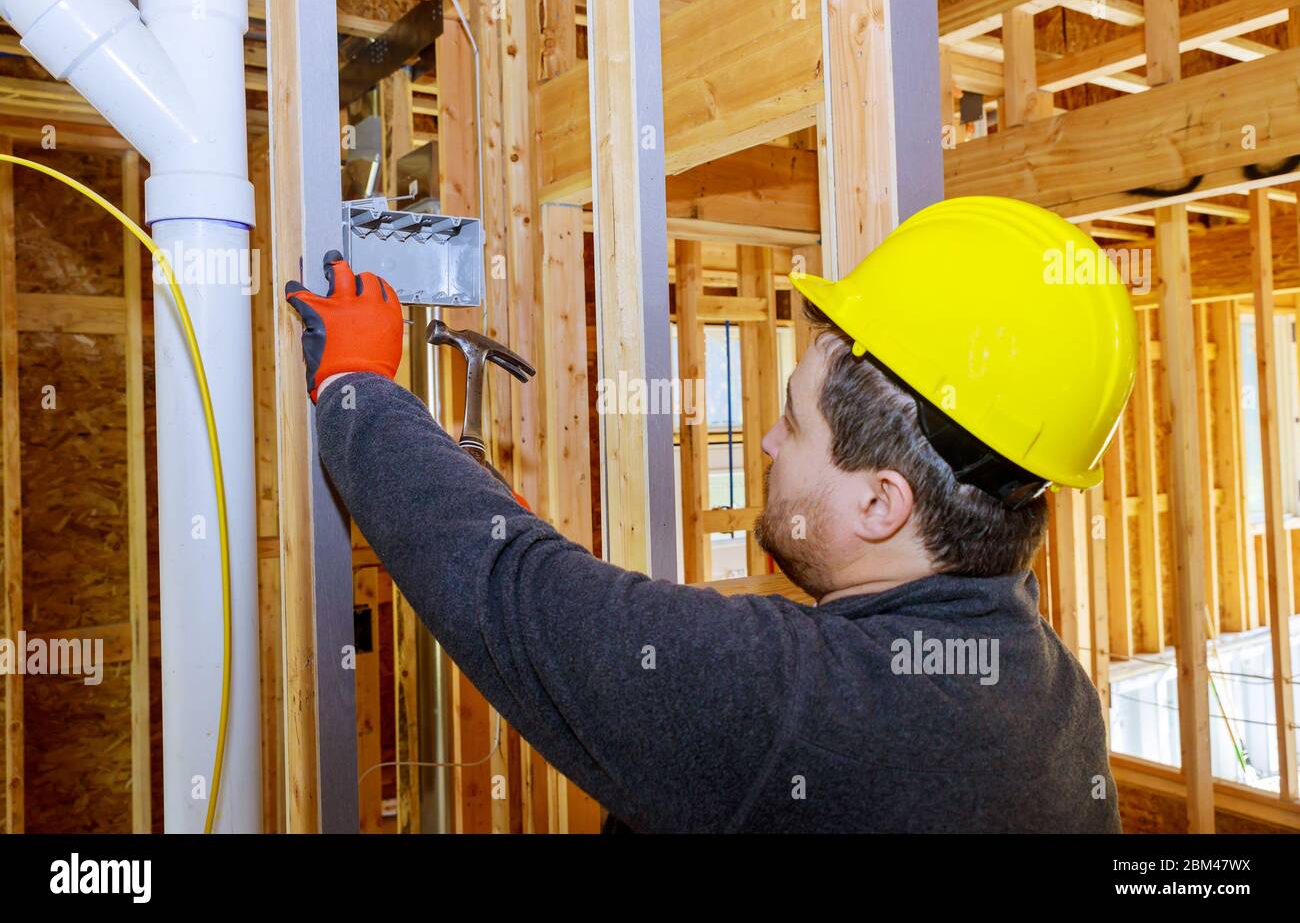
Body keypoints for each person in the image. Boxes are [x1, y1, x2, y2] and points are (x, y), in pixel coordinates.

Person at [285, 195, 1135, 832]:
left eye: (795, 422)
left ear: (882, 502)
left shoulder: (801, 706)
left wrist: (356, 388)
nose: (765, 440)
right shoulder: (1052, 693)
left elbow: (516, 596)